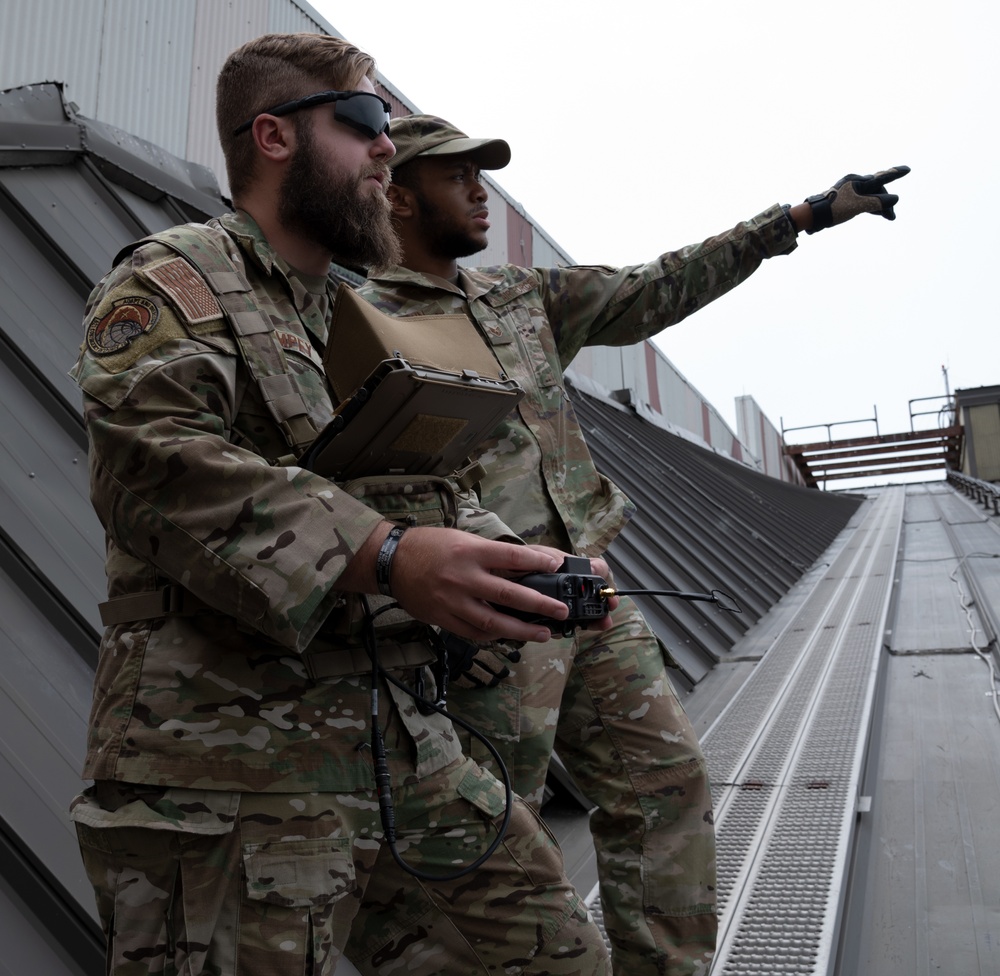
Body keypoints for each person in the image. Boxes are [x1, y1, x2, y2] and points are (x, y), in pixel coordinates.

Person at [68, 36, 615, 976]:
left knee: (555, 952)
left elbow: (412, 490)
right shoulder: (177, 277)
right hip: (231, 773)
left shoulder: (348, 313)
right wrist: (391, 555)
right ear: (273, 137)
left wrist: (518, 564)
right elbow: (155, 461)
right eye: (367, 121)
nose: (387, 151)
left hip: (397, 745)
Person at [353, 113, 909, 976]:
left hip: (590, 600)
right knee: (503, 838)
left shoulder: (518, 298)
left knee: (665, 785)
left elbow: (660, 286)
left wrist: (798, 218)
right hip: (488, 625)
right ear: (396, 193)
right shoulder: (358, 320)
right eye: (456, 175)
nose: (479, 191)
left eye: (482, 174)